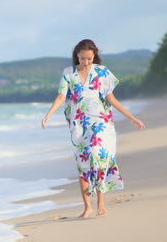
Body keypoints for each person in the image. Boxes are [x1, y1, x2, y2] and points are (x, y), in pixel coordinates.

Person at [41, 39, 146, 218]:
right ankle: (87, 207)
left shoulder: (102, 72)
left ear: (94, 56)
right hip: (78, 125)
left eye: (89, 59)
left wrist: (131, 118)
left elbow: (111, 99)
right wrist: (48, 115)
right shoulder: (68, 73)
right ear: (77, 56)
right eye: (82, 59)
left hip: (101, 122)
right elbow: (61, 97)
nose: (86, 62)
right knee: (83, 165)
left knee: (98, 156)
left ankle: (101, 199)